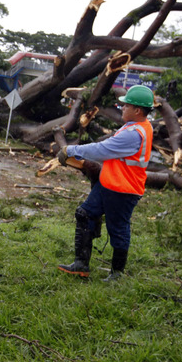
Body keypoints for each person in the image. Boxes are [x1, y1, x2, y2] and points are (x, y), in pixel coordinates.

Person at [56, 84, 155, 282]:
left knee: (118, 229)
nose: (122, 108)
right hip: (109, 184)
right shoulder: (134, 126)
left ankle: (117, 274)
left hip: (123, 190)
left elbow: (102, 150)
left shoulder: (134, 133)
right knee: (84, 213)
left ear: (137, 110)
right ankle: (80, 264)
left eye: (126, 105)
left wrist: (71, 150)